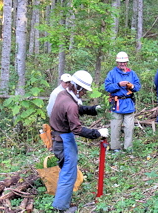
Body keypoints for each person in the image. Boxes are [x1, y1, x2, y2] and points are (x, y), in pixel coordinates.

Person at [49, 70, 109, 212]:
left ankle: (62, 203)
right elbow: (77, 129)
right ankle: (61, 207)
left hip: (60, 137)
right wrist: (97, 133)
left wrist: (93, 110)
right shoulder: (70, 103)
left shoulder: (63, 95)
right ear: (78, 88)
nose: (85, 94)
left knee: (68, 171)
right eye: (84, 91)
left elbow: (76, 109)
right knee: (68, 173)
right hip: (63, 140)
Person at [105, 51, 141, 153]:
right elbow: (107, 87)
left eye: (124, 62)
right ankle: (115, 148)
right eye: (120, 62)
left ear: (127, 62)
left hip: (128, 103)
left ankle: (128, 148)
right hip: (116, 104)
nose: (122, 64)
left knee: (129, 128)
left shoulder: (132, 73)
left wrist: (131, 86)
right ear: (117, 62)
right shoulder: (112, 73)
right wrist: (118, 85)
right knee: (115, 127)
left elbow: (138, 86)